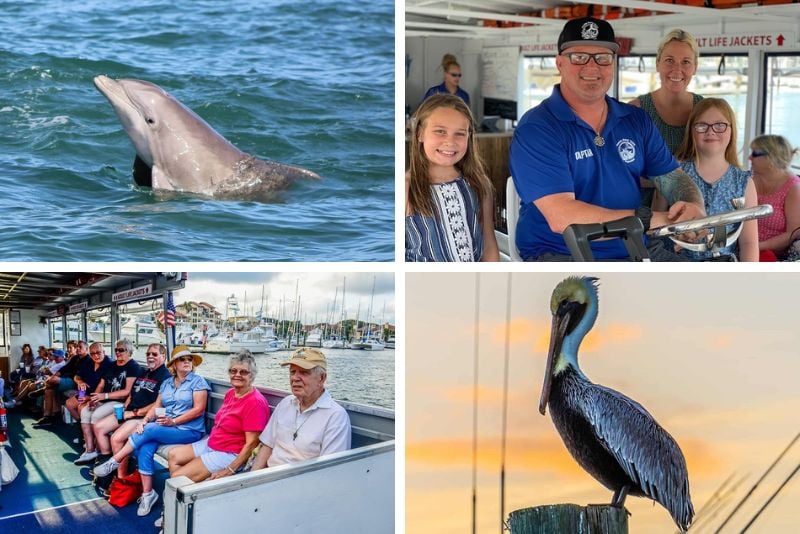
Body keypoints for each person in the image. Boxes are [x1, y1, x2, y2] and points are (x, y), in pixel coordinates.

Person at [509, 16, 706, 261]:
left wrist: (692, 208)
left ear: (613, 64)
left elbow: (672, 177)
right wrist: (656, 219)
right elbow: (563, 217)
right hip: (564, 253)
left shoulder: (636, 120)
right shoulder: (538, 128)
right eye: (579, 57)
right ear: (559, 63)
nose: (592, 68)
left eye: (603, 58)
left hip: (637, 248)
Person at [92, 345, 210, 517]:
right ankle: (148, 494)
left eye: (189, 359)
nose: (187, 362)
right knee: (144, 447)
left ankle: (115, 460)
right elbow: (157, 407)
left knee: (150, 430)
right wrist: (145, 420)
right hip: (166, 427)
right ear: (174, 364)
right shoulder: (168, 383)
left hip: (188, 430)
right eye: (182, 359)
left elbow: (198, 410)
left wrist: (173, 421)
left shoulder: (198, 381)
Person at [406, 94, 500, 262]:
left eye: (459, 133)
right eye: (440, 131)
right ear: (420, 133)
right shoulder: (405, 188)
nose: (450, 141)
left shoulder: (479, 183)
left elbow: (489, 245)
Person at [664, 98, 758, 261]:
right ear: (691, 130)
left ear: (731, 130)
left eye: (720, 125)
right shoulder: (674, 173)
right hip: (676, 265)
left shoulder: (744, 182)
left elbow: (749, 243)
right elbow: (656, 228)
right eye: (702, 125)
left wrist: (748, 280)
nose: (711, 131)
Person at [167, 349, 269, 482]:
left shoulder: (255, 402)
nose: (237, 375)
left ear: (252, 376)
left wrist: (230, 469)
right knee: (173, 455)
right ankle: (186, 492)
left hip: (229, 453)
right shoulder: (231, 393)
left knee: (176, 477)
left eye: (243, 372)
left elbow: (251, 444)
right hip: (213, 443)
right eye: (233, 371)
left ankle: (184, 490)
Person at [251, 347, 350, 470]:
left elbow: (329, 470)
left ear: (322, 378)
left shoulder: (335, 416)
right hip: (269, 477)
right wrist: (251, 479)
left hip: (301, 484)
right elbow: (267, 446)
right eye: (292, 372)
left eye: (303, 372)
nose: (295, 378)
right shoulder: (286, 403)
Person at [93, 343, 171, 476]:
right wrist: (124, 408)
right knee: (98, 427)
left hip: (142, 417)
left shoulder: (166, 377)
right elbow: (131, 394)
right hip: (128, 412)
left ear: (163, 356)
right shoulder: (145, 372)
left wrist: (133, 413)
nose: (150, 357)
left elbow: (159, 405)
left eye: (154, 354)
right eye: (148, 354)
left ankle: (120, 478)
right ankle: (106, 462)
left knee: (116, 439)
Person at [629, 29, 703, 155]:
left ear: (695, 67)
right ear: (657, 63)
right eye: (669, 60)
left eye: (686, 62)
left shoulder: (705, 110)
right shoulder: (635, 111)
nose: (677, 69)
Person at [74, 339, 143, 465]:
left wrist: (104, 396)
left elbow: (127, 391)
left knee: (95, 415)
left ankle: (102, 451)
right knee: (85, 411)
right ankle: (90, 450)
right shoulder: (112, 365)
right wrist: (94, 397)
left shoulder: (133, 367)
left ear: (129, 351)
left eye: (121, 350)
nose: (118, 352)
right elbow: (102, 383)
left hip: (118, 402)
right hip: (105, 399)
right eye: (116, 350)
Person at [749, 134, 800, 259]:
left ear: (772, 158)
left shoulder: (793, 188)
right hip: (744, 247)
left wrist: (756, 246)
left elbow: (793, 233)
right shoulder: (749, 179)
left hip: (773, 255)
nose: (749, 157)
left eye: (755, 154)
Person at [35, 340, 86, 427]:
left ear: (86, 349)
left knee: (53, 381)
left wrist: (52, 378)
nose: (78, 349)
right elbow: (63, 370)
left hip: (74, 382)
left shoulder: (88, 360)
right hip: (65, 379)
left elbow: (80, 376)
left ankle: (42, 389)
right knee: (49, 390)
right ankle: (47, 417)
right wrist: (53, 377)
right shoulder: (75, 358)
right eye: (77, 347)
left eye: (80, 347)